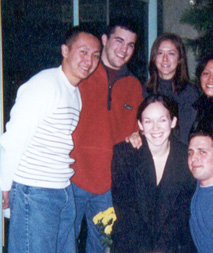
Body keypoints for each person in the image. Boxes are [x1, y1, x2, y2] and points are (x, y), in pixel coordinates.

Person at [0, 25, 101, 252]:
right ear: (65, 51)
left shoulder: (74, 93)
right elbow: (13, 138)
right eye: (83, 52)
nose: (89, 61)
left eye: (95, 55)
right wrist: (4, 184)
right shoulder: (43, 85)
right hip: (35, 190)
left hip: (62, 189)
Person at [70, 18, 143, 252]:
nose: (124, 49)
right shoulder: (80, 74)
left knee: (103, 248)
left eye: (130, 45)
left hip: (109, 188)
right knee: (63, 244)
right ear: (104, 40)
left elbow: (137, 130)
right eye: (119, 41)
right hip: (72, 179)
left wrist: (136, 135)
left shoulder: (134, 86)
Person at [111, 95, 196, 252]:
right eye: (148, 121)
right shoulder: (124, 154)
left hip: (172, 245)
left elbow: (181, 213)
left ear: (173, 122)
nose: (155, 128)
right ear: (140, 125)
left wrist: (160, 249)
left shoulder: (186, 158)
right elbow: (126, 210)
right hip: (133, 243)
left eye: (162, 120)